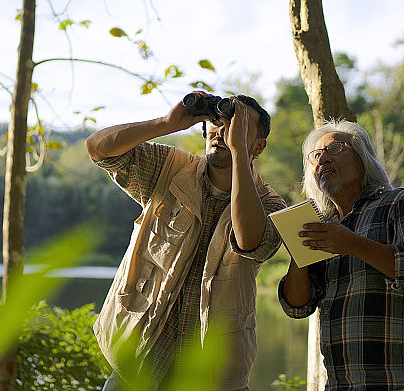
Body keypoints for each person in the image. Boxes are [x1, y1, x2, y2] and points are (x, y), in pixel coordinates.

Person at [86, 92, 285, 391]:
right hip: (140, 360)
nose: (223, 132)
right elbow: (98, 149)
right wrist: (166, 124)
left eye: (237, 126)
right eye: (218, 122)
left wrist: (238, 152)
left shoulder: (270, 204)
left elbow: (250, 241)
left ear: (258, 146)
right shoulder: (171, 169)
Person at [278, 120, 404, 390]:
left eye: (335, 149)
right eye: (316, 156)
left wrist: (353, 244)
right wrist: (300, 253)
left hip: (400, 382)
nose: (323, 159)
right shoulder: (324, 227)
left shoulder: (401, 202)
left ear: (363, 160)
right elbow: (297, 306)